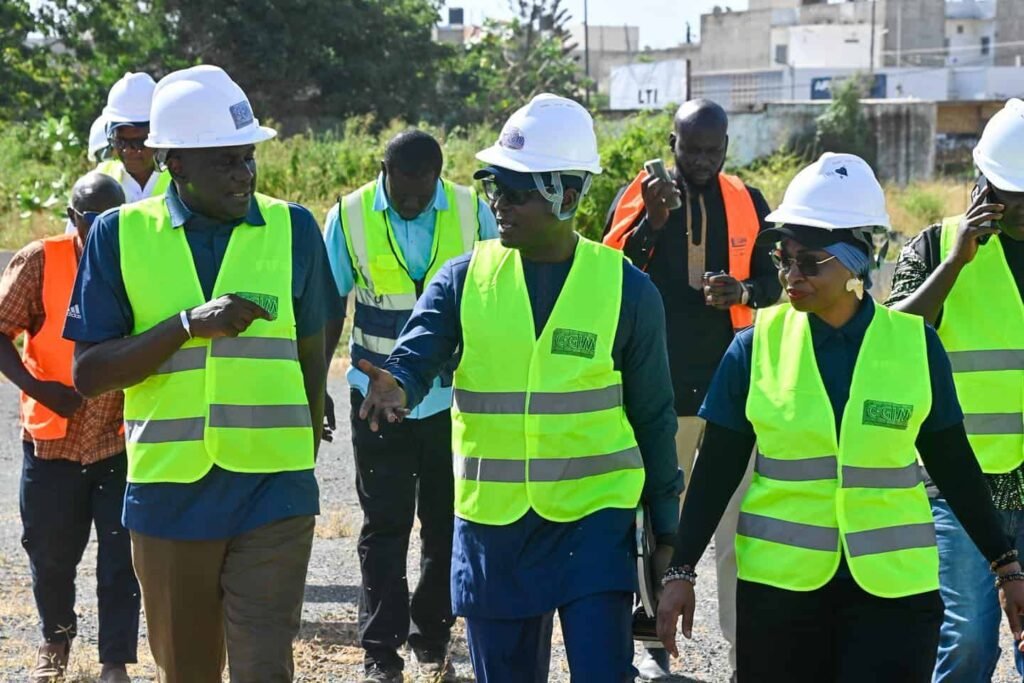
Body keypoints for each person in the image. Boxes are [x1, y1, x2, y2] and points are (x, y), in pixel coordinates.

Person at [657, 152, 1024, 682]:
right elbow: (715, 472)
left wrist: (1005, 566)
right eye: (783, 258)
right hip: (779, 594)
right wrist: (680, 569)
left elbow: (955, 468)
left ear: (857, 261)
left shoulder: (914, 347)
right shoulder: (753, 348)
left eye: (809, 261)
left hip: (894, 596)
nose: (789, 274)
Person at [357, 93, 681, 683]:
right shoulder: (464, 278)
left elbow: (655, 416)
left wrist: (668, 533)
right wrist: (397, 382)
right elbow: (419, 346)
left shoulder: (627, 291)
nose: (497, 204)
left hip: (593, 523)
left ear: (569, 195)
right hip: (494, 530)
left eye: (515, 191)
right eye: (492, 187)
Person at [63, 65, 343, 682]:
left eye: (249, 159)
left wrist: (312, 393)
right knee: (188, 671)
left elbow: (317, 329)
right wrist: (185, 325)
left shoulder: (294, 228)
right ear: (175, 164)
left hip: (274, 487)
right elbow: (89, 374)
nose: (245, 175)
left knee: (265, 667)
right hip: (169, 494)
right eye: (226, 162)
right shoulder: (119, 235)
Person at [603, 98, 780, 681]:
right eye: (692, 147)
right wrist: (652, 224)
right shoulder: (641, 194)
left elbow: (778, 276)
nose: (703, 159)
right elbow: (611, 275)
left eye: (714, 148)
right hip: (660, 393)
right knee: (659, 523)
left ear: (726, 146)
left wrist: (744, 293)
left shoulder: (748, 200)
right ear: (672, 141)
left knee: (741, 527)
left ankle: (742, 654)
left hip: (734, 393)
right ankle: (653, 647)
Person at [322, 129, 497, 682]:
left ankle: (432, 636)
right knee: (384, 524)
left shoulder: (472, 213)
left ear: (439, 175)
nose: (415, 202)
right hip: (375, 401)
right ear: (384, 170)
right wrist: (316, 391)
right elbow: (330, 308)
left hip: (451, 401)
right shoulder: (349, 217)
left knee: (446, 525)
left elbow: (499, 302)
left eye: (425, 191)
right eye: (404, 192)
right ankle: (380, 652)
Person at [886, 97, 1024, 682]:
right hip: (962, 483)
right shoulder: (935, 249)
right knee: (967, 641)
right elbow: (889, 341)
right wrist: (957, 264)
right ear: (985, 186)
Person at [0, 173, 136, 683]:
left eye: (112, 221)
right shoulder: (42, 259)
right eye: (91, 221)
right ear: (74, 218)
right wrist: (42, 390)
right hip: (52, 437)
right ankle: (55, 642)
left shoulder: (141, 260)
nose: (101, 231)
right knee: (50, 553)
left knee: (122, 558)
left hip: (120, 438)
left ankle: (114, 662)